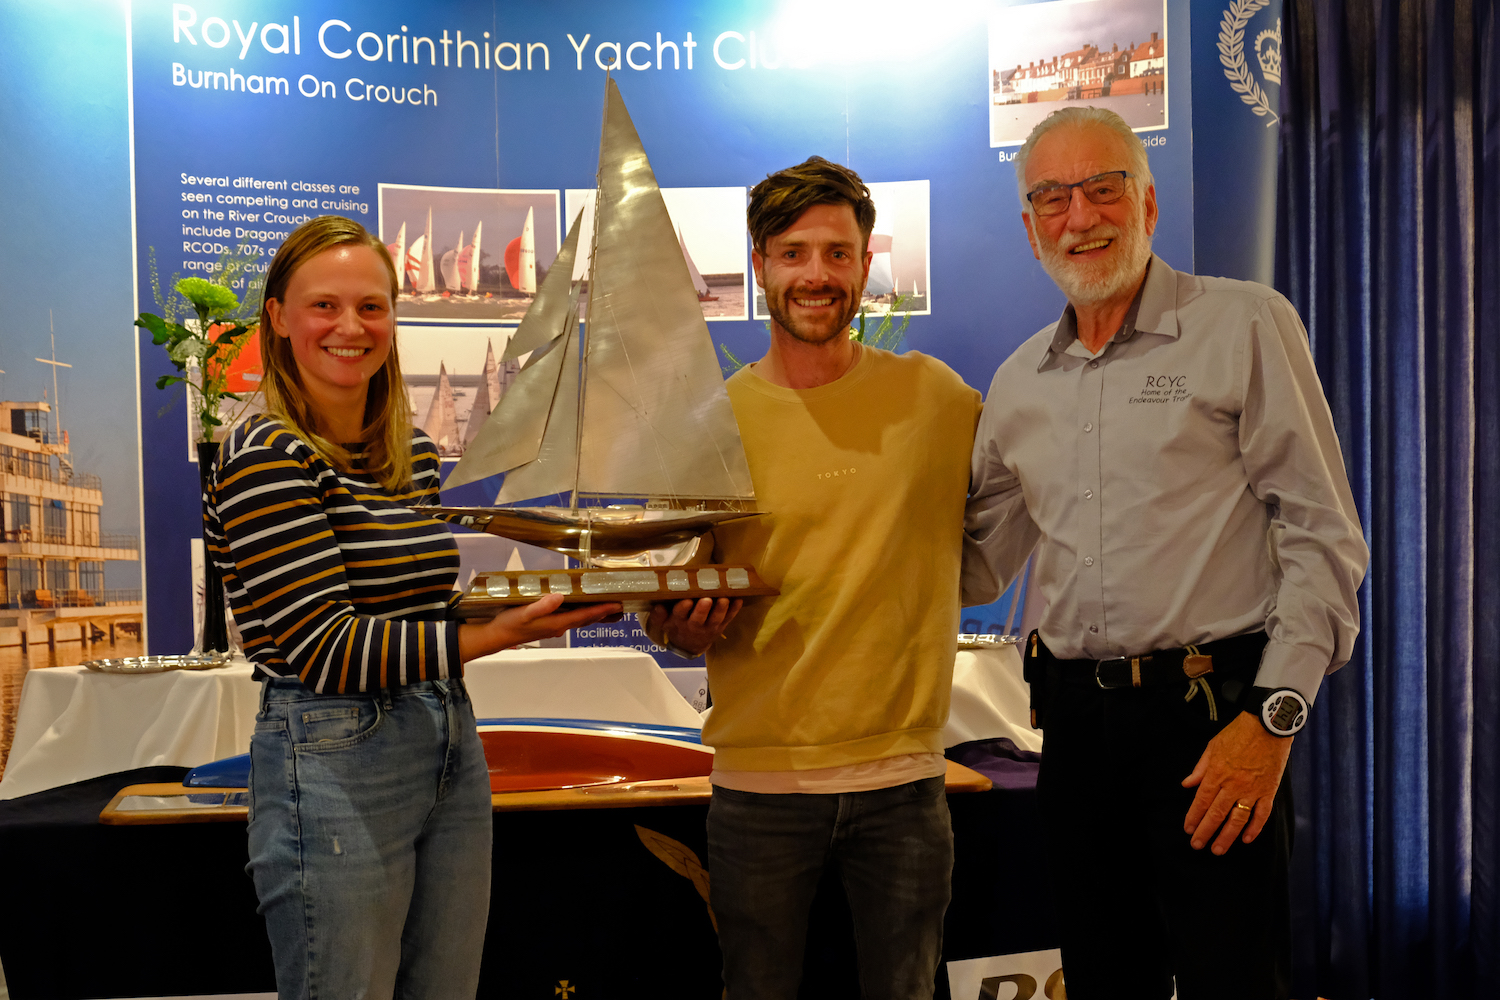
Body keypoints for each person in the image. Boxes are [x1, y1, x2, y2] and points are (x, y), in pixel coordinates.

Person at [963, 107, 1370, 1000]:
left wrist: (1271, 721)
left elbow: (1324, 536)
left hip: (1211, 721)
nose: (1082, 216)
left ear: (1147, 204)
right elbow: (973, 565)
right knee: (1106, 983)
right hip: (1070, 733)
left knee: (1233, 981)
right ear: (1030, 225)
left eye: (1104, 188)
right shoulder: (1019, 380)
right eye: (1054, 197)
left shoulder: (1245, 325)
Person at [204, 215, 616, 1000]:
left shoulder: (413, 455)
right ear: (280, 319)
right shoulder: (265, 455)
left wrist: (539, 600)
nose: (351, 327)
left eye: (372, 306)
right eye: (324, 306)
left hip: (445, 737)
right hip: (331, 756)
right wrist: (497, 633)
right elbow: (327, 647)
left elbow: (412, 614)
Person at [643, 157, 981, 999]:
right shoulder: (707, 426)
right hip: (758, 787)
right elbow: (661, 595)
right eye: (794, 253)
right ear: (759, 264)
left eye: (837, 253)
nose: (817, 275)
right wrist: (679, 624)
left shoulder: (936, 399)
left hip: (905, 782)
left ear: (867, 266)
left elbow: (1025, 496)